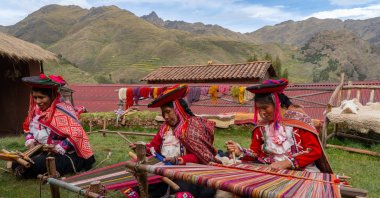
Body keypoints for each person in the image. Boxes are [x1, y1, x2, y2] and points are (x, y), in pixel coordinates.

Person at [129, 84, 220, 197]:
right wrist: (142, 149)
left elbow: (199, 156)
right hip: (164, 169)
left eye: (168, 112)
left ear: (178, 109)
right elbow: (154, 148)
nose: (165, 117)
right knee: (138, 181)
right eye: (163, 113)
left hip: (188, 170)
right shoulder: (164, 128)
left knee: (182, 189)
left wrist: (177, 160)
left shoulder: (193, 126)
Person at [225, 79, 332, 173]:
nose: (262, 113)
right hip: (271, 170)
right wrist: (240, 151)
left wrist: (287, 163)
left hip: (301, 171)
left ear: (277, 103)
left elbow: (314, 151)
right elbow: (256, 153)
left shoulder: (299, 121)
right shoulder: (261, 127)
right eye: (259, 109)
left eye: (265, 107)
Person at [13, 74, 95, 179]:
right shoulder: (36, 110)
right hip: (45, 150)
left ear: (51, 96)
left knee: (34, 165)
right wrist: (31, 140)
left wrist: (59, 147)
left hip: (70, 153)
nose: (38, 102)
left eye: (42, 97)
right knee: (18, 161)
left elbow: (77, 133)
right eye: (35, 97)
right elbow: (28, 127)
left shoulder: (62, 110)